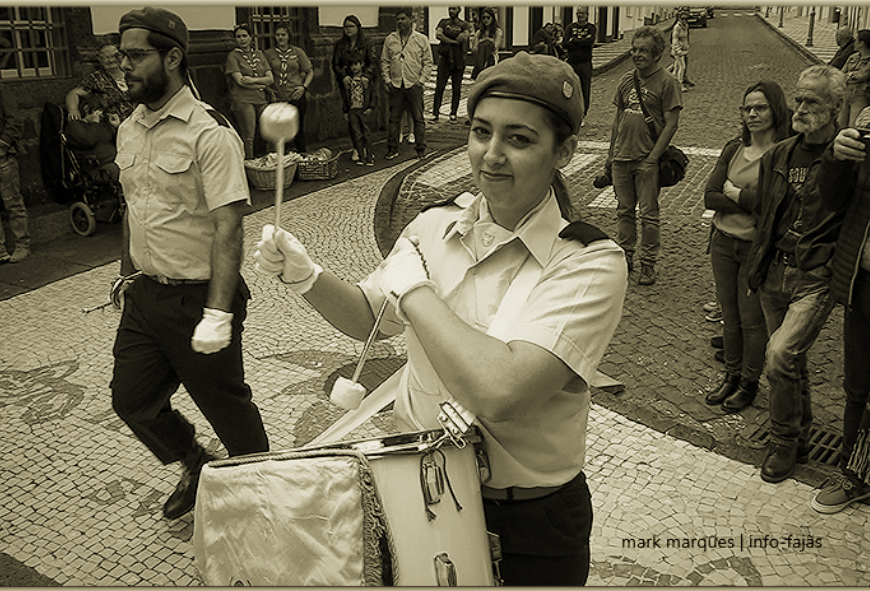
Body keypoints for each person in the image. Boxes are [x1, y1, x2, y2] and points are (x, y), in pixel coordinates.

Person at [253, 52, 627, 585]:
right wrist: (306, 274)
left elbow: (499, 391)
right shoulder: (433, 225)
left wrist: (414, 289)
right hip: (422, 494)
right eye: (481, 132)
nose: (491, 155)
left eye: (519, 139)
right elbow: (369, 317)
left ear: (562, 152)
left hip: (529, 524)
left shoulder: (590, 262)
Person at [111, 7, 270, 521]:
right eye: (123, 56)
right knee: (132, 401)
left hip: (200, 297)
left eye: (137, 56)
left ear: (173, 57)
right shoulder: (129, 129)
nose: (125, 67)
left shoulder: (210, 133)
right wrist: (125, 274)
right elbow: (131, 206)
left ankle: (270, 495)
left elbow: (230, 226)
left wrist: (218, 313)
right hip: (147, 296)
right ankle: (194, 461)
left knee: (230, 411)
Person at [746, 64, 847, 484]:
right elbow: (766, 215)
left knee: (780, 354)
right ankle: (801, 436)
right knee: (793, 362)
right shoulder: (779, 155)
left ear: (836, 106)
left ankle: (783, 439)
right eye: (799, 98)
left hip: (815, 275)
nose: (800, 108)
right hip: (775, 271)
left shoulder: (846, 156)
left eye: (812, 101)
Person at [703, 81, 791, 412]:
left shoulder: (783, 152)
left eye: (760, 107)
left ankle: (749, 383)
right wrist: (752, 202)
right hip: (723, 243)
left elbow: (776, 205)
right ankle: (731, 375)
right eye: (747, 108)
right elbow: (710, 195)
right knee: (730, 315)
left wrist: (736, 194)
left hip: (757, 249)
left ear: (775, 110)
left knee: (753, 321)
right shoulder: (733, 149)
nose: (752, 114)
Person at [809, 108, 870, 513]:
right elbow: (833, 199)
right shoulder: (868, 121)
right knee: (858, 386)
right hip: (864, 283)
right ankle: (854, 473)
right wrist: (835, 157)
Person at [606, 25, 682, 285]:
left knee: (649, 215)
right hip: (621, 158)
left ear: (656, 54)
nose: (636, 55)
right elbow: (617, 120)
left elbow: (672, 123)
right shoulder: (626, 80)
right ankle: (625, 257)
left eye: (643, 51)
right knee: (624, 211)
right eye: (634, 50)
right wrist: (610, 155)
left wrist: (653, 158)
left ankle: (647, 264)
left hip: (646, 160)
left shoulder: (667, 83)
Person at [64, 43, 135, 170]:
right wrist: (73, 110)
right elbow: (74, 93)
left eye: (115, 55)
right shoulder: (96, 79)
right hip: (114, 128)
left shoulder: (132, 74)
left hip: (139, 122)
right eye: (106, 57)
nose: (111, 60)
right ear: (99, 60)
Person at [381, 7, 432, 161]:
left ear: (411, 20)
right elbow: (384, 61)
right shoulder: (390, 39)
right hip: (396, 84)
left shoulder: (421, 39)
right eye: (398, 20)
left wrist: (421, 81)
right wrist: (387, 80)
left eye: (403, 19)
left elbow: (428, 62)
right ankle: (392, 148)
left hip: (413, 84)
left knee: (418, 118)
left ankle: (421, 149)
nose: (400, 22)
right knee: (394, 118)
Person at [225, 23, 273, 160]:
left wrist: (252, 81)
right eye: (238, 36)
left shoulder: (260, 54)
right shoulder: (233, 56)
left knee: (269, 130)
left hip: (261, 98)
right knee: (249, 136)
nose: (242, 39)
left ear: (251, 37)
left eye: (245, 36)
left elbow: (270, 79)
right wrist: (260, 84)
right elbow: (239, 80)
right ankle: (250, 164)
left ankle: (272, 161)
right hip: (243, 99)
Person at [331, 15, 375, 162]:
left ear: (358, 27)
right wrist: (343, 76)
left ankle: (367, 149)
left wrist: (367, 76)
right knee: (351, 116)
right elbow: (335, 63)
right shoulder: (340, 45)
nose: (348, 29)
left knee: (364, 118)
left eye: (351, 26)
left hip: (363, 82)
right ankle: (356, 147)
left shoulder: (366, 43)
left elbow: (372, 62)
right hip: (347, 83)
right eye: (345, 27)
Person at [264, 23, 313, 154]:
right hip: (278, 97)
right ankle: (281, 161)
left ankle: (302, 158)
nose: (280, 37)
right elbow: (264, 73)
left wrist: (303, 87)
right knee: (278, 132)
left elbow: (309, 72)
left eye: (283, 35)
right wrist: (268, 89)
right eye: (278, 35)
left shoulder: (298, 52)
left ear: (288, 36)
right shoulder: (269, 54)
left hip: (296, 96)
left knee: (297, 129)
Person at [0, 84, 29, 264]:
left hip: (3, 156)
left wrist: (2, 145)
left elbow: (15, 121)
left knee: (12, 202)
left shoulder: (2, 90)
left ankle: (22, 244)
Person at [432, 6, 473, 123]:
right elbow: (438, 35)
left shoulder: (464, 24)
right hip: (444, 58)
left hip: (459, 58)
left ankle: (453, 113)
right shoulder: (443, 22)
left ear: (459, 10)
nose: (451, 11)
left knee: (456, 87)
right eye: (450, 9)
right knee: (439, 86)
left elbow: (463, 37)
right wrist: (454, 41)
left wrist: (447, 38)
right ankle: (435, 113)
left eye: (454, 9)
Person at [342, 52, 376, 167]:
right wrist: (345, 110)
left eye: (356, 64)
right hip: (353, 110)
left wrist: (371, 107)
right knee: (357, 134)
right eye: (352, 65)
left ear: (361, 64)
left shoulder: (366, 80)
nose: (354, 67)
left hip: (363, 109)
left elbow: (373, 94)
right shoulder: (349, 81)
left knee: (366, 133)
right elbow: (345, 96)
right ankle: (361, 156)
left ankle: (370, 156)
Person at [564, 7, 596, 119]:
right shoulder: (570, 27)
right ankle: (570, 112)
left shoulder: (591, 28)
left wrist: (574, 41)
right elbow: (565, 43)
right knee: (569, 88)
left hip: (585, 63)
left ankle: (583, 114)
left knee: (584, 89)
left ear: (587, 15)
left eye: (582, 13)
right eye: (578, 13)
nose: (580, 15)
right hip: (572, 62)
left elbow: (589, 42)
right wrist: (581, 41)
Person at [838, 29, 870, 129]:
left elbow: (863, 75)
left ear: (862, 43)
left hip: (860, 96)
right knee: (839, 125)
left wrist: (849, 75)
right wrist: (851, 75)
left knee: (854, 126)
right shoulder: (853, 57)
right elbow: (841, 74)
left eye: (856, 40)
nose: (854, 43)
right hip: (846, 94)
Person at [470, 7, 503, 81]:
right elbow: (474, 49)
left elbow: (495, 46)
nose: (486, 20)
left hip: (491, 60)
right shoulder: (479, 32)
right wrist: (485, 41)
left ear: (492, 18)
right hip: (479, 60)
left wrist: (484, 42)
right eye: (483, 18)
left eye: (488, 17)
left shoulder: (497, 31)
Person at [671, 11, 689, 93]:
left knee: (676, 68)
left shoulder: (686, 26)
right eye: (682, 18)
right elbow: (675, 39)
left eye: (686, 18)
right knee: (682, 67)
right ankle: (680, 85)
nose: (684, 20)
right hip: (678, 51)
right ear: (679, 18)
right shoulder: (677, 27)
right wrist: (678, 50)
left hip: (684, 50)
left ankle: (671, 84)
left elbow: (686, 38)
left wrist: (687, 46)